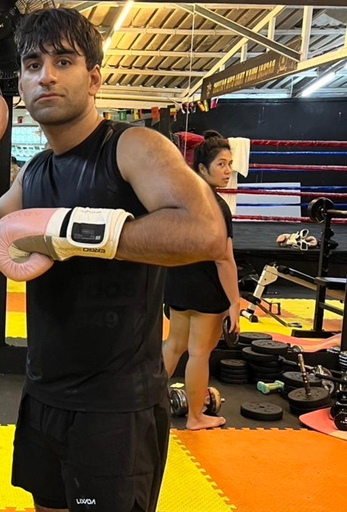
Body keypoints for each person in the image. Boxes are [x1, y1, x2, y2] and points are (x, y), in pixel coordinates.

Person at [0, 8, 227, 512]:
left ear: (93, 77)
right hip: (45, 395)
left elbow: (205, 232)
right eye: (32, 64)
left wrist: (69, 234)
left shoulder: (132, 147)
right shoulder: (36, 171)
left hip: (115, 409)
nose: (45, 75)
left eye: (63, 61)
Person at [161, 131, 240, 431]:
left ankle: (143, 405)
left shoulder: (180, 199)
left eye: (230, 164)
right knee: (198, 353)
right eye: (221, 164)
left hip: (178, 285)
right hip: (207, 291)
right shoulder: (217, 208)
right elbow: (224, 260)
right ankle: (196, 416)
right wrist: (234, 302)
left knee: (172, 346)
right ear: (202, 169)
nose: (228, 170)